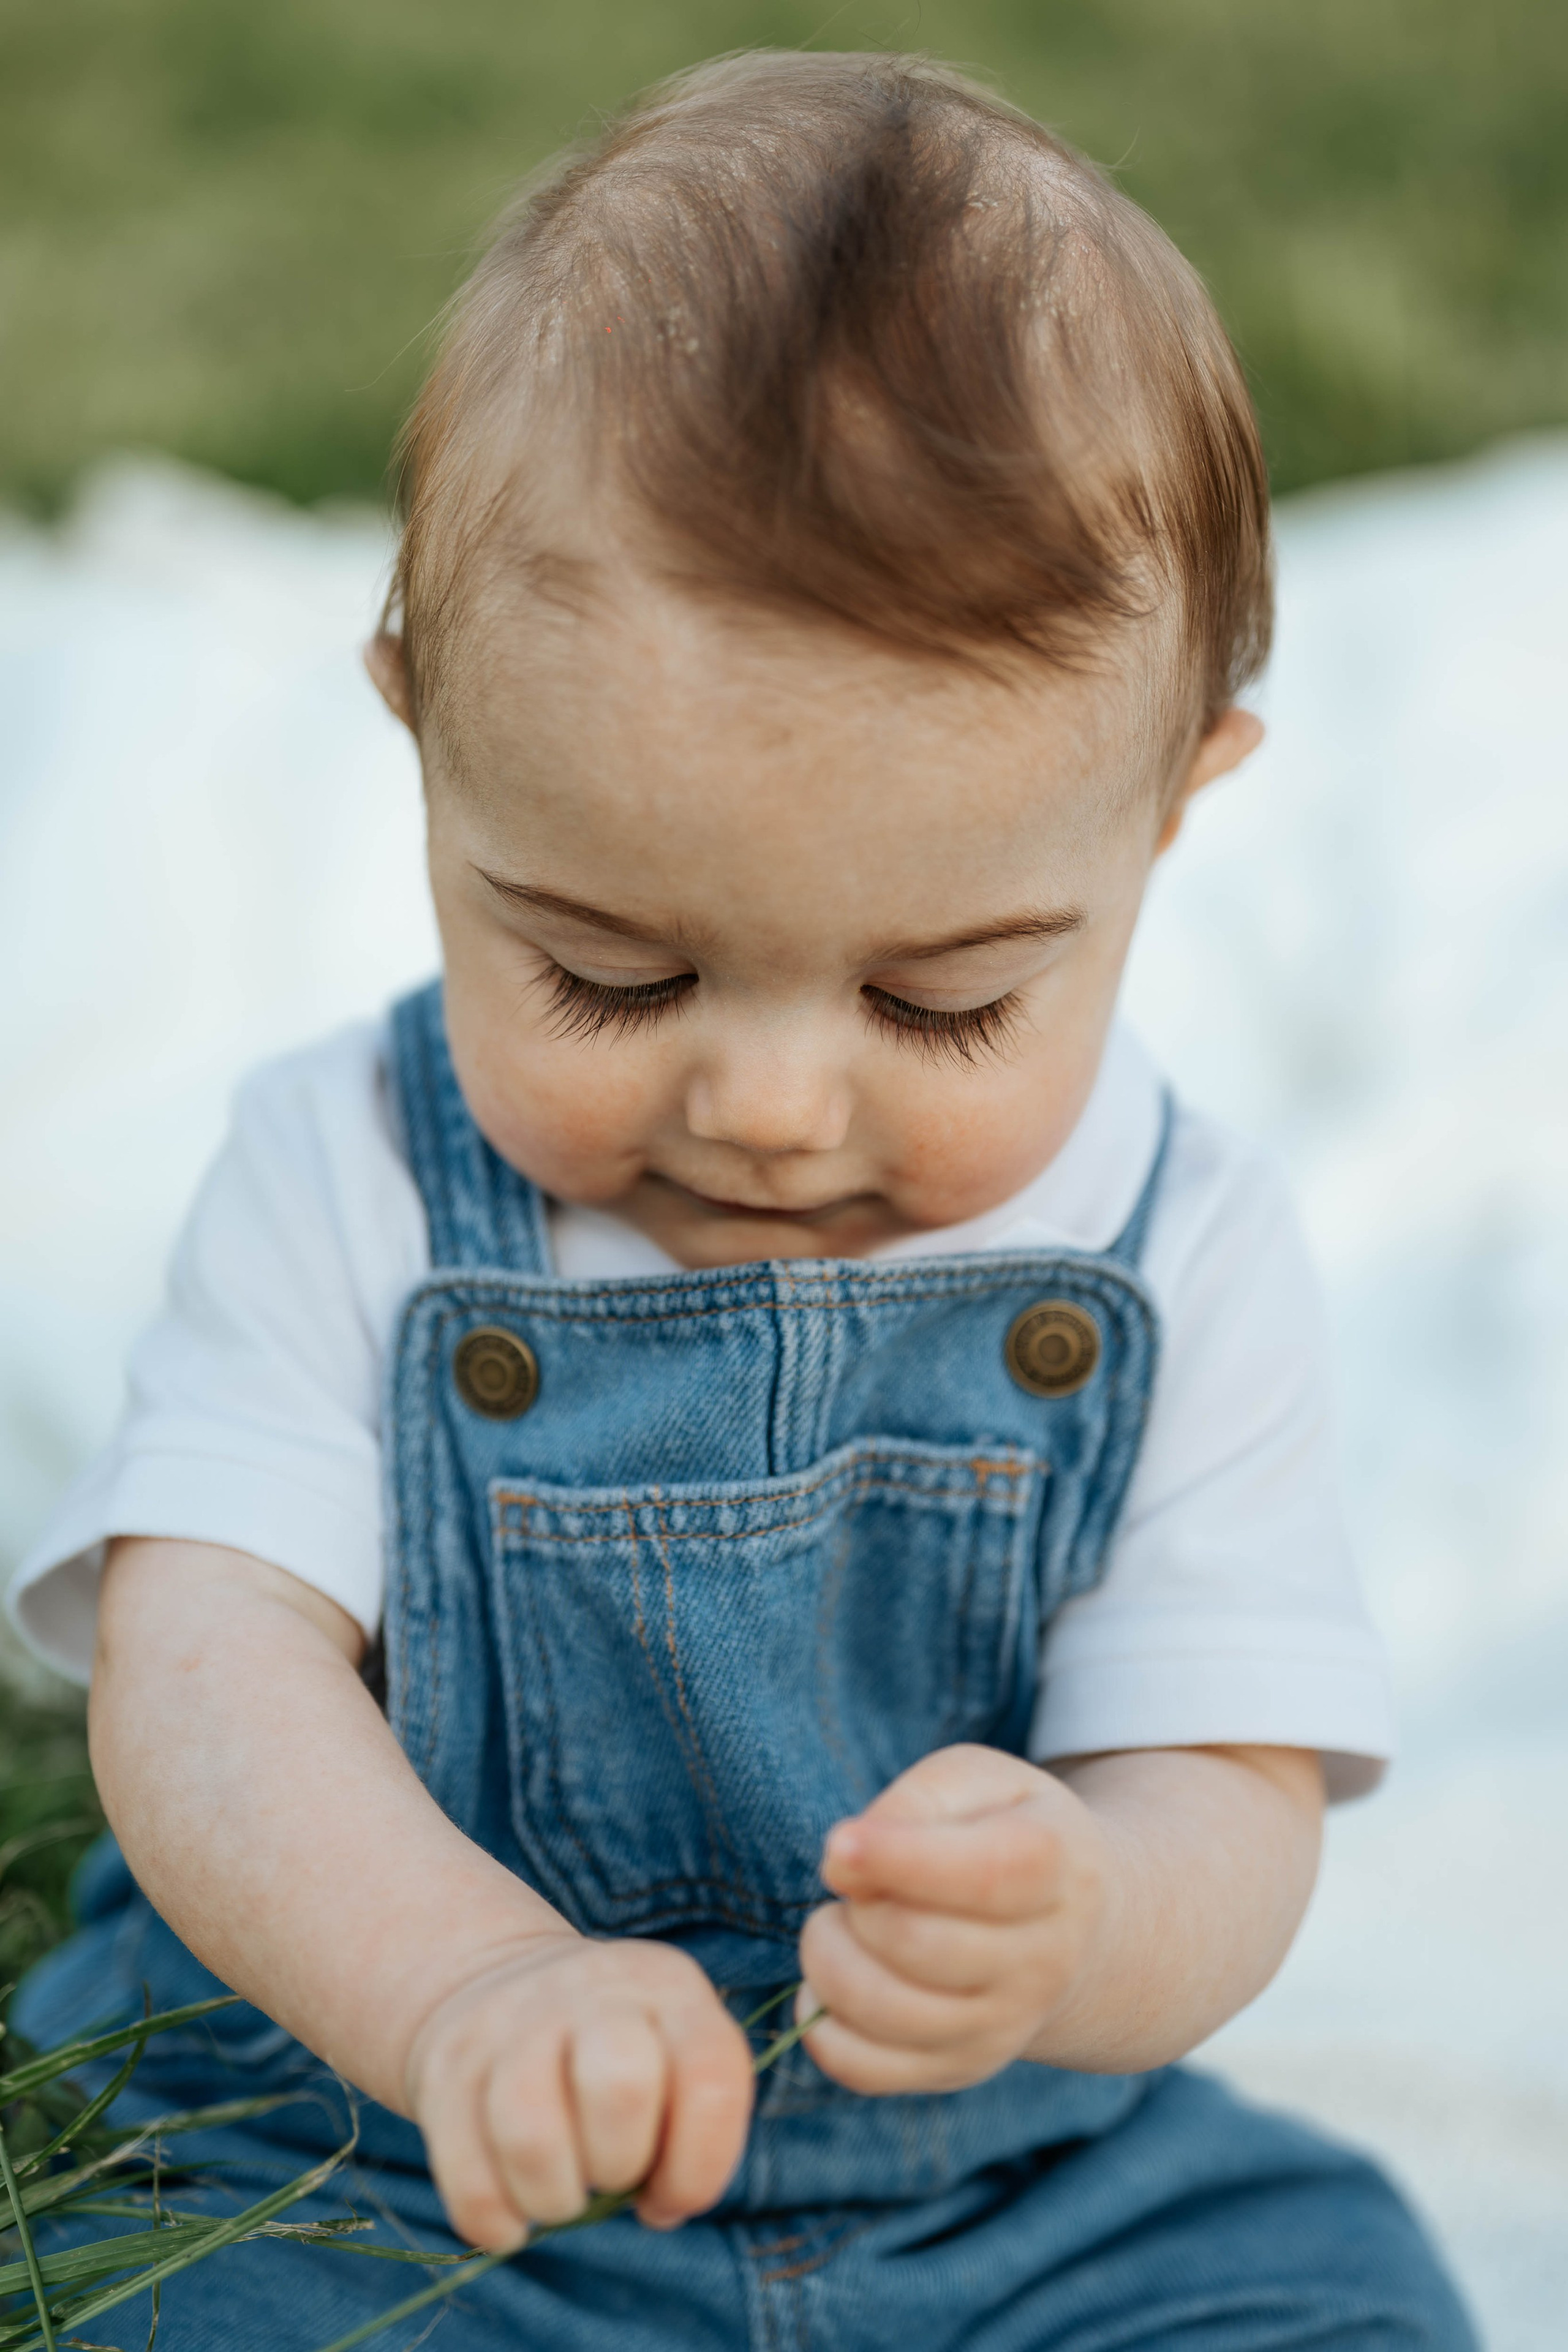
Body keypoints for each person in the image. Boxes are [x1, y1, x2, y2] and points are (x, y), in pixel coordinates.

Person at [7, 49, 1476, 2352]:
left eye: (947, 1003)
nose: (777, 1105)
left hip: (1009, 2199)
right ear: (421, 736)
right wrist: (467, 1986)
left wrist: (1085, 1919)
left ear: (1174, 820)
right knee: (176, 2301)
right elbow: (206, 1677)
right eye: (612, 970)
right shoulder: (355, 1171)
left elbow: (1233, 1775)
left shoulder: (1178, 1251)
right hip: (388, 2156)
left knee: (1341, 2287)